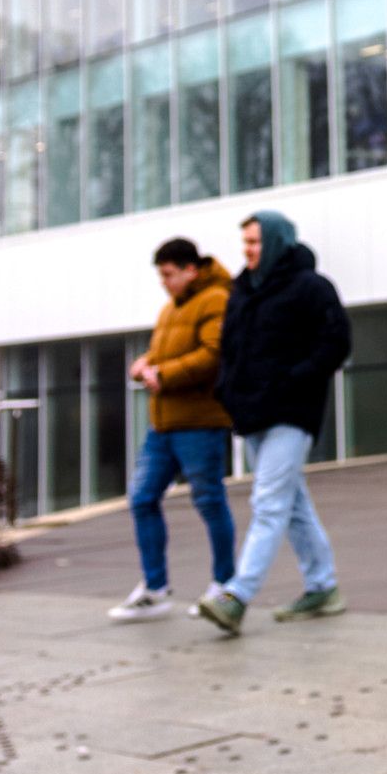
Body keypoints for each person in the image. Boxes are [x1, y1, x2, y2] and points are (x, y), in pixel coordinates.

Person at [195, 209, 351, 634]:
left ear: (277, 242)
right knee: (292, 505)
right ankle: (323, 587)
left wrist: (294, 379)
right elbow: (231, 350)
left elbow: (337, 342)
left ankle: (236, 595)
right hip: (252, 413)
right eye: (244, 242)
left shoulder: (311, 288)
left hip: (292, 413)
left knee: (268, 502)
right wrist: (227, 391)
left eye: (255, 242)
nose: (247, 250)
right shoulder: (242, 291)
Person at [110, 237, 237, 622]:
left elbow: (213, 355)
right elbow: (168, 354)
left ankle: (225, 586)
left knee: (209, 500)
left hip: (200, 422)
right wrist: (144, 363)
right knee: (142, 498)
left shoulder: (216, 299)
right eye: (161, 275)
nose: (164, 282)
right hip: (162, 425)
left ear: (190, 270)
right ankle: (154, 588)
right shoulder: (169, 310)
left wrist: (163, 373)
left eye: (168, 274)